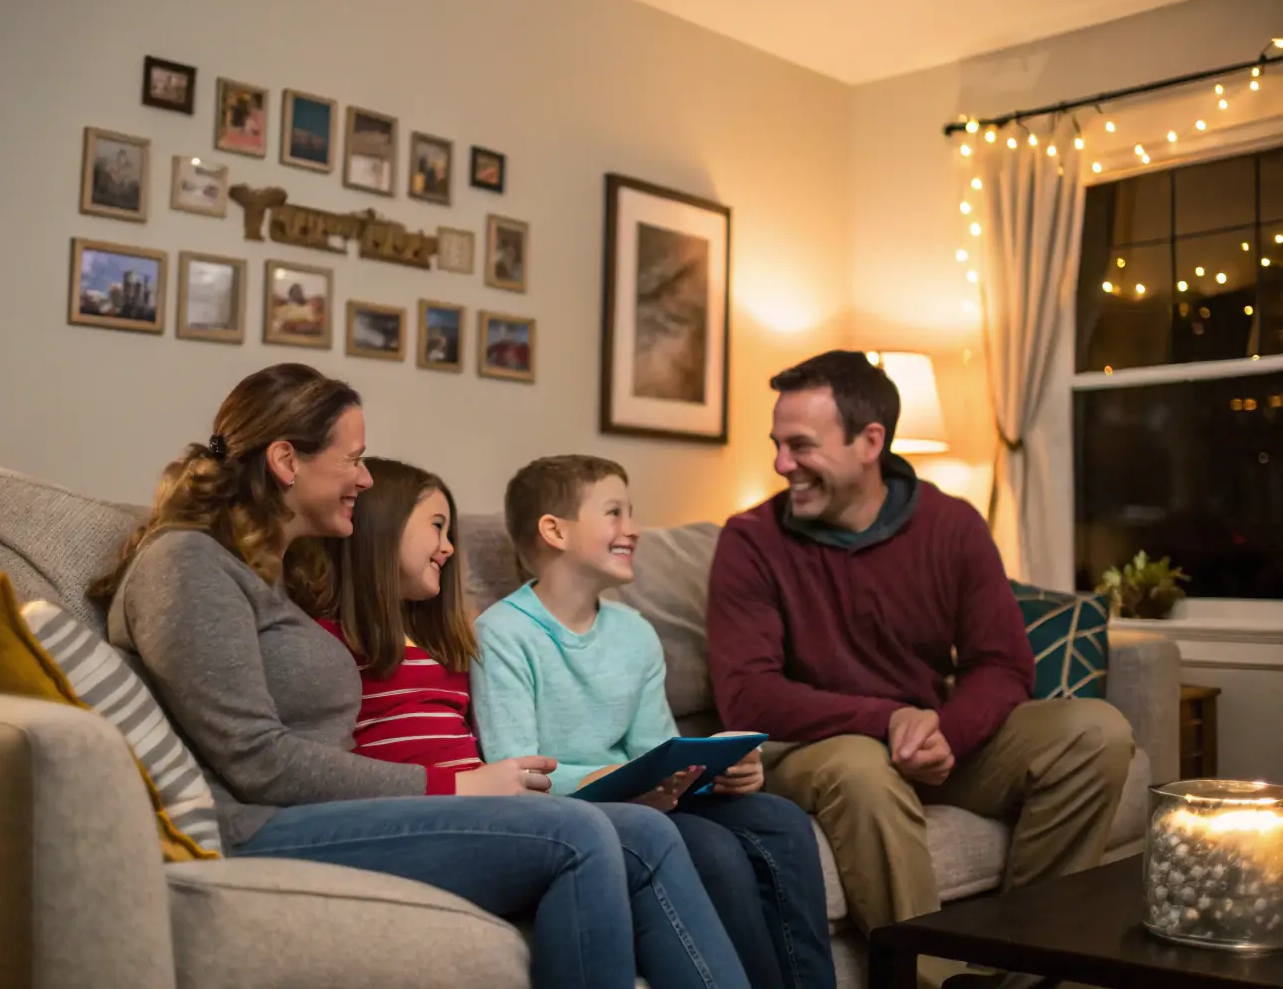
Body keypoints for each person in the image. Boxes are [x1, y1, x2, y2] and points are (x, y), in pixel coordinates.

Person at [90, 363, 747, 989]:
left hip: (318, 810)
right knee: (575, 834)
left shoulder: (269, 577)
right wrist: (456, 786)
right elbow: (257, 759)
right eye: (352, 459)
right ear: (286, 461)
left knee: (643, 831)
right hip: (256, 826)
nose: (365, 478)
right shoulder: (188, 562)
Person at [704, 350, 1135, 979]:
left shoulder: (951, 524)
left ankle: (1026, 976)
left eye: (800, 446)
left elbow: (1003, 664)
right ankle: (931, 982)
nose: (781, 464)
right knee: (862, 769)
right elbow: (748, 695)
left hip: (927, 740)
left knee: (1096, 732)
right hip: (818, 750)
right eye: (777, 445)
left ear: (869, 442)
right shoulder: (751, 541)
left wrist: (942, 736)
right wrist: (889, 720)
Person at [471, 454, 837, 989]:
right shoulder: (502, 634)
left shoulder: (634, 631)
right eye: (614, 513)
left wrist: (716, 771)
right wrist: (612, 780)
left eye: (631, 512)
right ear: (555, 531)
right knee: (713, 851)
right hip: (574, 810)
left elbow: (655, 746)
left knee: (781, 819)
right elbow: (515, 772)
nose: (633, 529)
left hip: (645, 794)